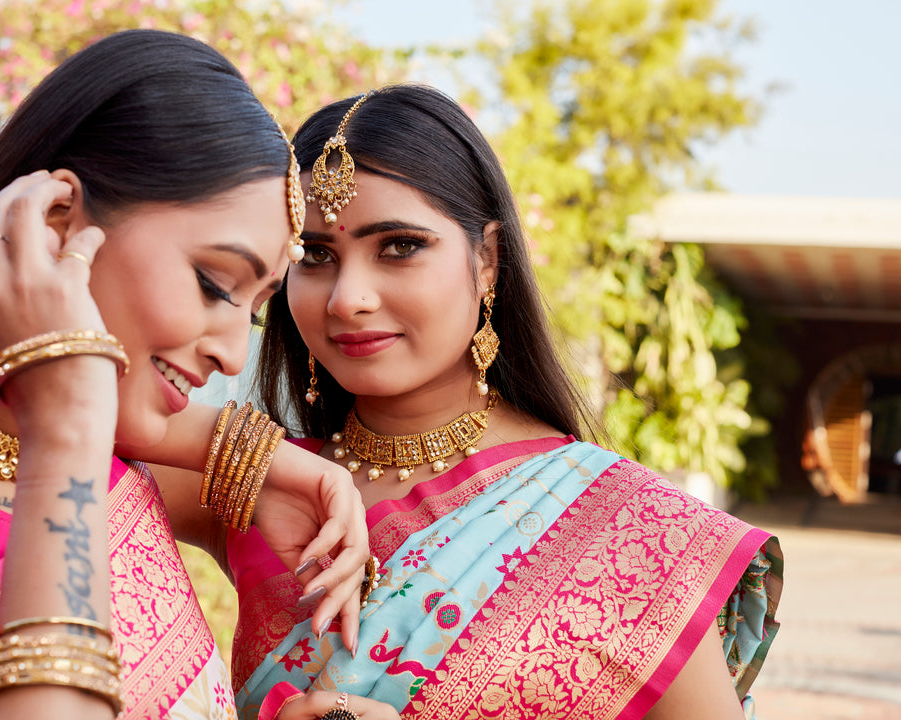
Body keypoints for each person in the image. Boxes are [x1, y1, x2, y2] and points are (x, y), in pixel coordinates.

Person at [0, 30, 400, 720]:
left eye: (253, 314)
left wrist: (286, 464)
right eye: (214, 283)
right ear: (56, 222)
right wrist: (65, 434)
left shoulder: (115, 448)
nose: (231, 355)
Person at [227, 85, 784, 720]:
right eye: (316, 255)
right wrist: (252, 459)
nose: (347, 298)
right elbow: (102, 421)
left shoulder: (628, 529)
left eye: (399, 246)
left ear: (487, 258)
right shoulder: (258, 483)